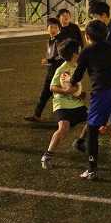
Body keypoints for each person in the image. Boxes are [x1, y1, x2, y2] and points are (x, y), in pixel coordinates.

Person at [70, 19, 111, 180]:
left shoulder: (87, 51)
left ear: (87, 36)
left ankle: (92, 170)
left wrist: (70, 82)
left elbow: (77, 76)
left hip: (103, 92)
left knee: (92, 129)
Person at [40, 39, 88, 169]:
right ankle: (47, 156)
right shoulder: (62, 69)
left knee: (93, 120)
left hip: (76, 103)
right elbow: (52, 87)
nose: (81, 51)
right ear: (74, 54)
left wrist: (79, 93)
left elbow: (75, 87)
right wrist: (66, 91)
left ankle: (80, 141)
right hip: (62, 104)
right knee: (63, 128)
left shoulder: (76, 65)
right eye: (79, 50)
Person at [26, 18, 66, 122]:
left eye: (56, 27)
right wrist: (48, 61)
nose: (53, 29)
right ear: (47, 28)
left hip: (58, 72)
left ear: (59, 29)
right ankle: (37, 115)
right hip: (51, 71)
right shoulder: (50, 40)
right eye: (51, 27)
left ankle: (68, 118)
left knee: (60, 96)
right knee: (44, 94)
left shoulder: (59, 40)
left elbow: (60, 56)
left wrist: (49, 60)